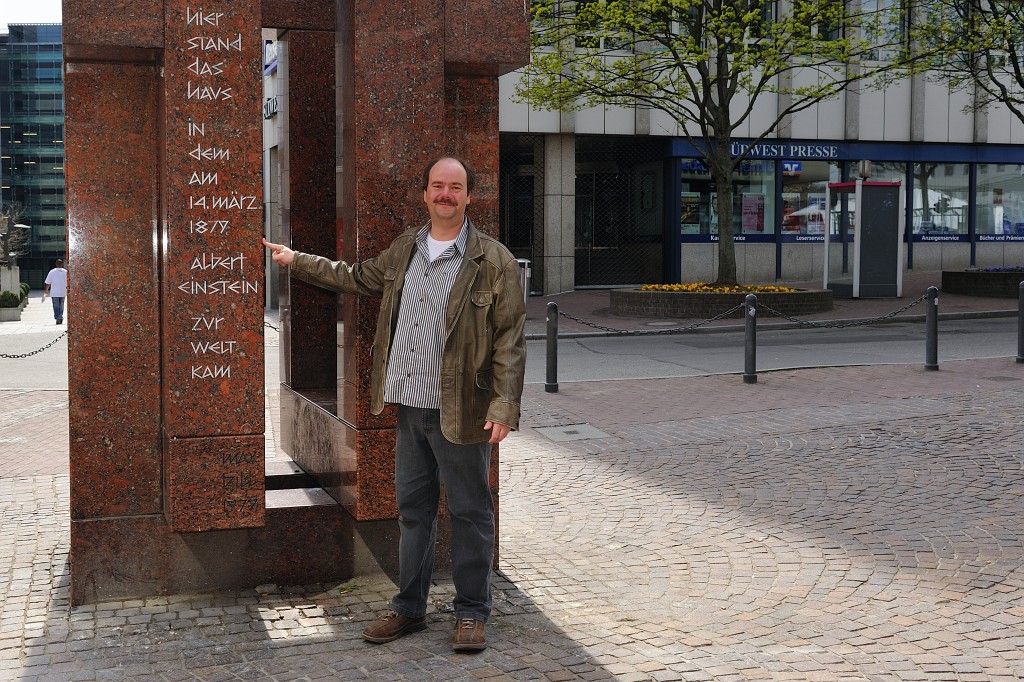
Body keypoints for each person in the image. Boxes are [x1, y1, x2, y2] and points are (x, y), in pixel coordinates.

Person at [263, 156, 527, 652]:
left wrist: (503, 406)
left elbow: (510, 339)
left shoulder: (493, 260)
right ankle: (409, 608)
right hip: (409, 407)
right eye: (437, 186)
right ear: (425, 194)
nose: (446, 194)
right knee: (413, 513)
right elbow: (356, 277)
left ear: (470, 196)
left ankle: (471, 612)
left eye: (456, 187)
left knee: (470, 512)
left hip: (464, 411)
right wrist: (295, 261)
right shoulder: (406, 248)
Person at [42, 259, 69, 324]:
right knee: (61, 306)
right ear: (62, 264)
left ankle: (58, 318)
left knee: (56, 306)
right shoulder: (66, 272)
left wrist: (46, 291)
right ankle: (60, 317)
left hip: (54, 293)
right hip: (63, 292)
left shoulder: (52, 272)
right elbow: (69, 282)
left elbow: (47, 282)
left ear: (56, 264)